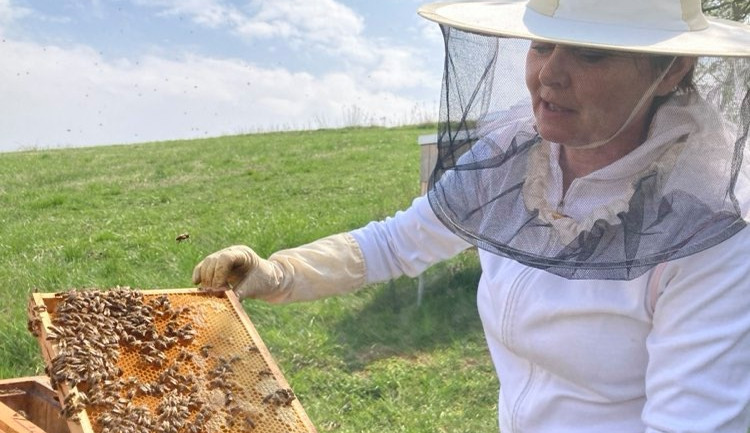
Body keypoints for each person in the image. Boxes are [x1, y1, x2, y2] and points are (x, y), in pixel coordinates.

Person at [193, 0, 750, 431]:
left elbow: (689, 422)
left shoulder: (712, 227)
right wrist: (279, 273)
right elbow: (397, 241)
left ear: (672, 69)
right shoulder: (514, 156)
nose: (548, 76)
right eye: (542, 45)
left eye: (590, 53)